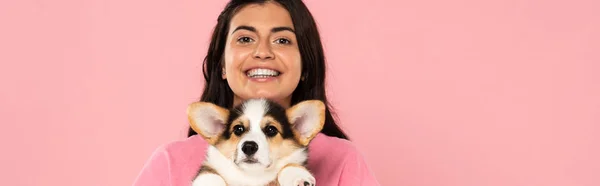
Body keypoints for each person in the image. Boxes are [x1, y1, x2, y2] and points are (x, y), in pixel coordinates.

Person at [132, 0, 380, 185]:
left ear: (306, 66)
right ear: (221, 65)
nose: (262, 52)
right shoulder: (170, 161)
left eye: (282, 40)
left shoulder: (343, 160)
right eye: (245, 39)